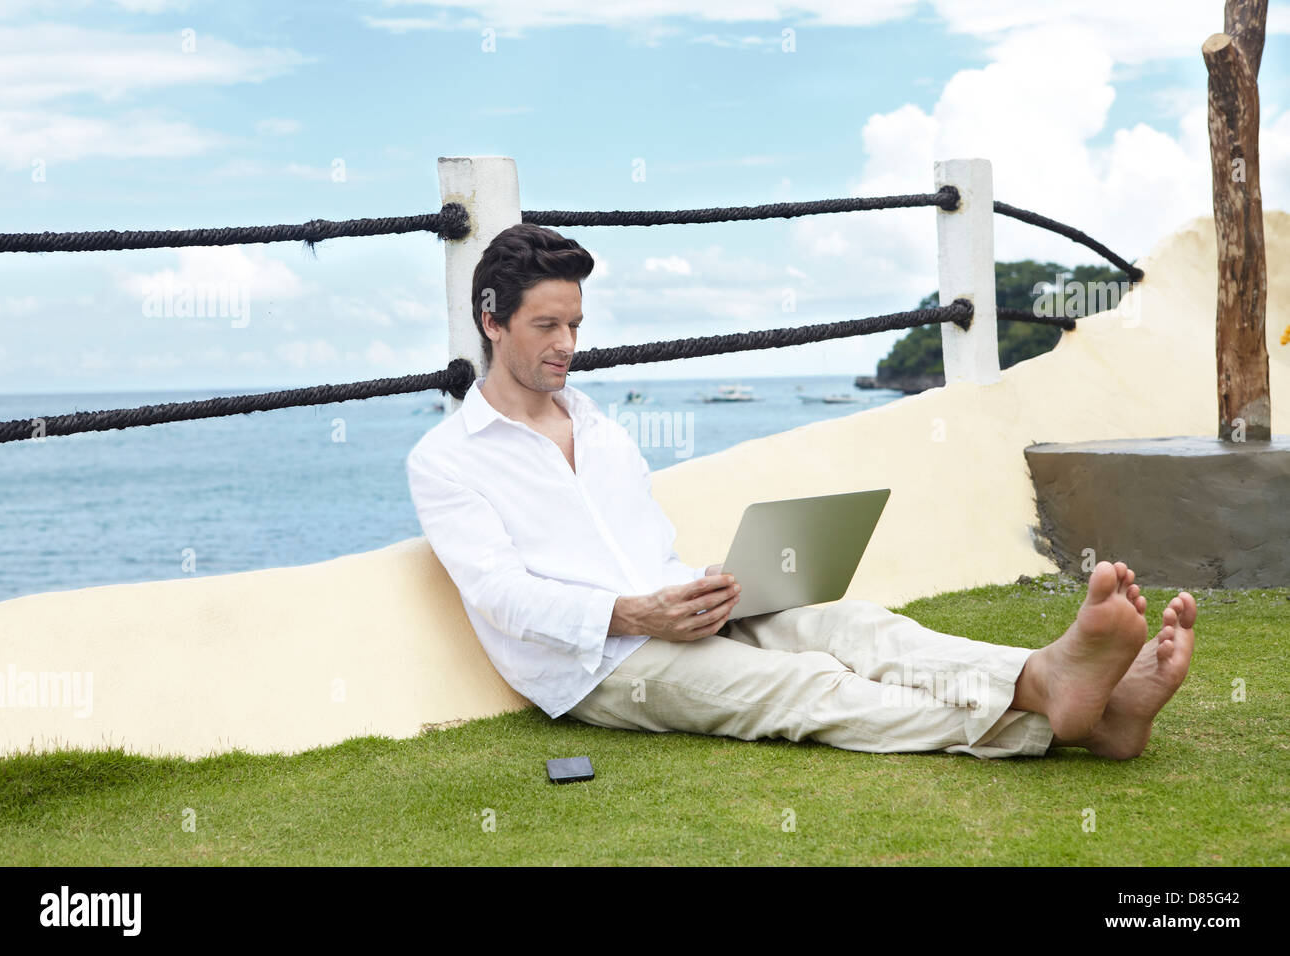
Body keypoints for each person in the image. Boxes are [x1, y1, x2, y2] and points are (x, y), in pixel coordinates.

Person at [406, 223, 1197, 760]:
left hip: (675, 612)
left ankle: (1065, 689)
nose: (568, 346)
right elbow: (503, 596)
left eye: (574, 324)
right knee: (806, 688)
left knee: (855, 628)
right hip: (597, 666)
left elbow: (643, 549)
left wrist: (706, 586)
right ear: (492, 321)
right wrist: (635, 614)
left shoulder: (599, 427)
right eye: (546, 325)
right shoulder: (446, 461)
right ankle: (1068, 719)